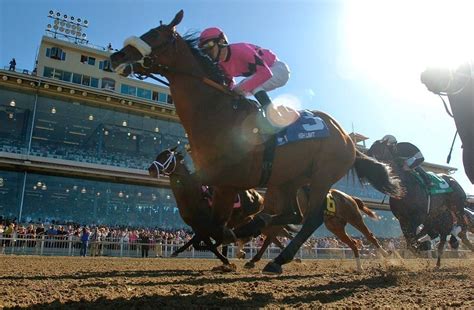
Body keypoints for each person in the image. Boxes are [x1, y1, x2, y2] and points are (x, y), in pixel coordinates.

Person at [198, 27, 290, 110]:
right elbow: (230, 87)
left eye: (208, 45)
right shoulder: (221, 65)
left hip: (278, 69)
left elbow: (266, 73)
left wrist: (240, 89)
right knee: (236, 91)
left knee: (248, 86)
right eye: (203, 49)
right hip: (264, 74)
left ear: (221, 41)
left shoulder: (241, 49)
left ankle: (273, 115)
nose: (206, 51)